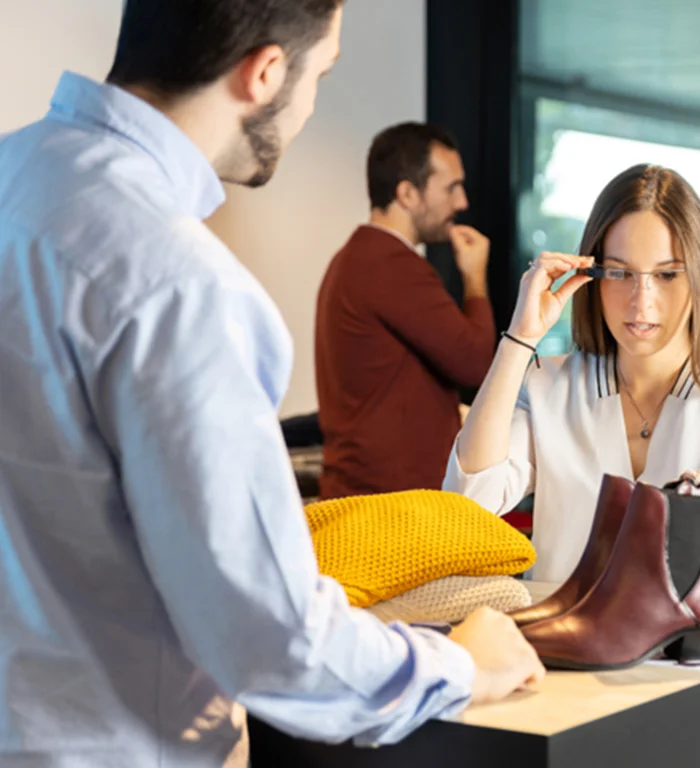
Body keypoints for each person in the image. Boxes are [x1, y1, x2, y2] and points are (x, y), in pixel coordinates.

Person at [0, 3, 541, 765]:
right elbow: (270, 638)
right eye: (321, 74)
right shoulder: (183, 287)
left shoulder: (13, 179)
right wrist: (461, 667)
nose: (314, 104)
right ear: (266, 73)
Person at [444, 164, 700, 603]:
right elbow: (470, 499)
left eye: (667, 274)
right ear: (593, 278)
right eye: (619, 273)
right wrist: (519, 338)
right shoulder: (548, 384)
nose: (642, 301)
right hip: (564, 657)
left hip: (699, 660)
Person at [316, 122, 495, 499]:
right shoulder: (390, 265)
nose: (461, 202)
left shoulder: (356, 258)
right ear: (408, 193)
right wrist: (475, 278)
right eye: (451, 188)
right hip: (391, 511)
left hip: (370, 500)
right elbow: (476, 362)